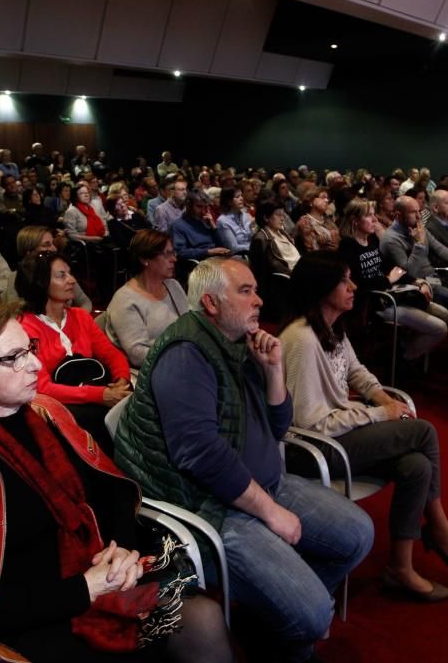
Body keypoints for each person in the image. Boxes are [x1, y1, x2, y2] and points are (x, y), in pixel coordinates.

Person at [0, 296, 233, 663]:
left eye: (29, 348)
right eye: (13, 358)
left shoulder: (48, 412)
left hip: (97, 578)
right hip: (28, 619)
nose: (35, 364)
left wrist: (123, 552)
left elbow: (107, 498)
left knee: (203, 618)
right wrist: (86, 587)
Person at [113, 257, 374, 663]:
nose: (259, 300)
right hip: (214, 506)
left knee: (358, 535)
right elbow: (200, 455)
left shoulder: (240, 343)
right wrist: (270, 512)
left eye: (256, 289)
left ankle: (268, 622)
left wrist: (273, 372)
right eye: (246, 291)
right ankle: (287, 628)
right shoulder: (186, 353)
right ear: (212, 303)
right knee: (313, 612)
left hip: (263, 483)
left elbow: (280, 426)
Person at [280, 251, 448, 601]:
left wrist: (380, 398)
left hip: (339, 435)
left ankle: (400, 568)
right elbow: (310, 423)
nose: (353, 286)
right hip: (311, 450)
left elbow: (356, 371)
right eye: (344, 280)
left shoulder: (330, 328)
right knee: (422, 432)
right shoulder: (301, 339)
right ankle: (437, 525)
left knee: (416, 465)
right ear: (320, 287)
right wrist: (378, 413)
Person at [16, 251, 131, 451]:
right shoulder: (25, 328)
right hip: (62, 403)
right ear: (40, 283)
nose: (72, 280)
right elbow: (41, 386)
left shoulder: (80, 316)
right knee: (101, 419)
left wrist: (122, 381)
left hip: (92, 388)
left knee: (134, 401)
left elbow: (111, 354)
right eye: (61, 275)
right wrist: (99, 395)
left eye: (70, 273)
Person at [338, 200, 448, 363]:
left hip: (391, 293)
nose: (375, 219)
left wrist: (416, 281)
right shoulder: (347, 246)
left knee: (444, 314)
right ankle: (403, 357)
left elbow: (392, 268)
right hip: (374, 303)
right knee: (440, 328)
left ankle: (403, 346)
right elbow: (357, 283)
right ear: (355, 220)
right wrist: (387, 280)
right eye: (369, 215)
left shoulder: (371, 241)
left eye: (374, 214)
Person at [103, 230, 187, 370]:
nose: (174, 259)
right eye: (167, 254)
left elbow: (189, 325)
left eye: (173, 253)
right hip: (153, 371)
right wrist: (184, 356)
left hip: (182, 360)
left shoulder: (173, 286)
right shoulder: (125, 300)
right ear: (144, 259)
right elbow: (139, 355)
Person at [381, 196, 448, 309]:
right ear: (398, 215)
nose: (419, 216)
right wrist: (419, 243)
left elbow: (440, 248)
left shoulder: (418, 228)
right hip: (419, 285)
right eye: (412, 212)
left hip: (434, 277)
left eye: (419, 211)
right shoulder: (391, 239)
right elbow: (409, 272)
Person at [171, 191, 229, 262]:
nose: (203, 211)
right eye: (199, 207)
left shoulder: (205, 221)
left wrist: (213, 227)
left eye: (205, 207)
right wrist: (209, 252)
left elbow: (224, 246)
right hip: (199, 264)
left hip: (216, 259)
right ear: (188, 206)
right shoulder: (177, 226)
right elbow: (181, 253)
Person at [216, 187, 253, 256]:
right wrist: (253, 248)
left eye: (241, 195)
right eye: (237, 197)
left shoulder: (245, 215)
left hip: (252, 252)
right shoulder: (223, 221)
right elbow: (233, 248)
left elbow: (251, 238)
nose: (241, 198)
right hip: (237, 256)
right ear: (228, 201)